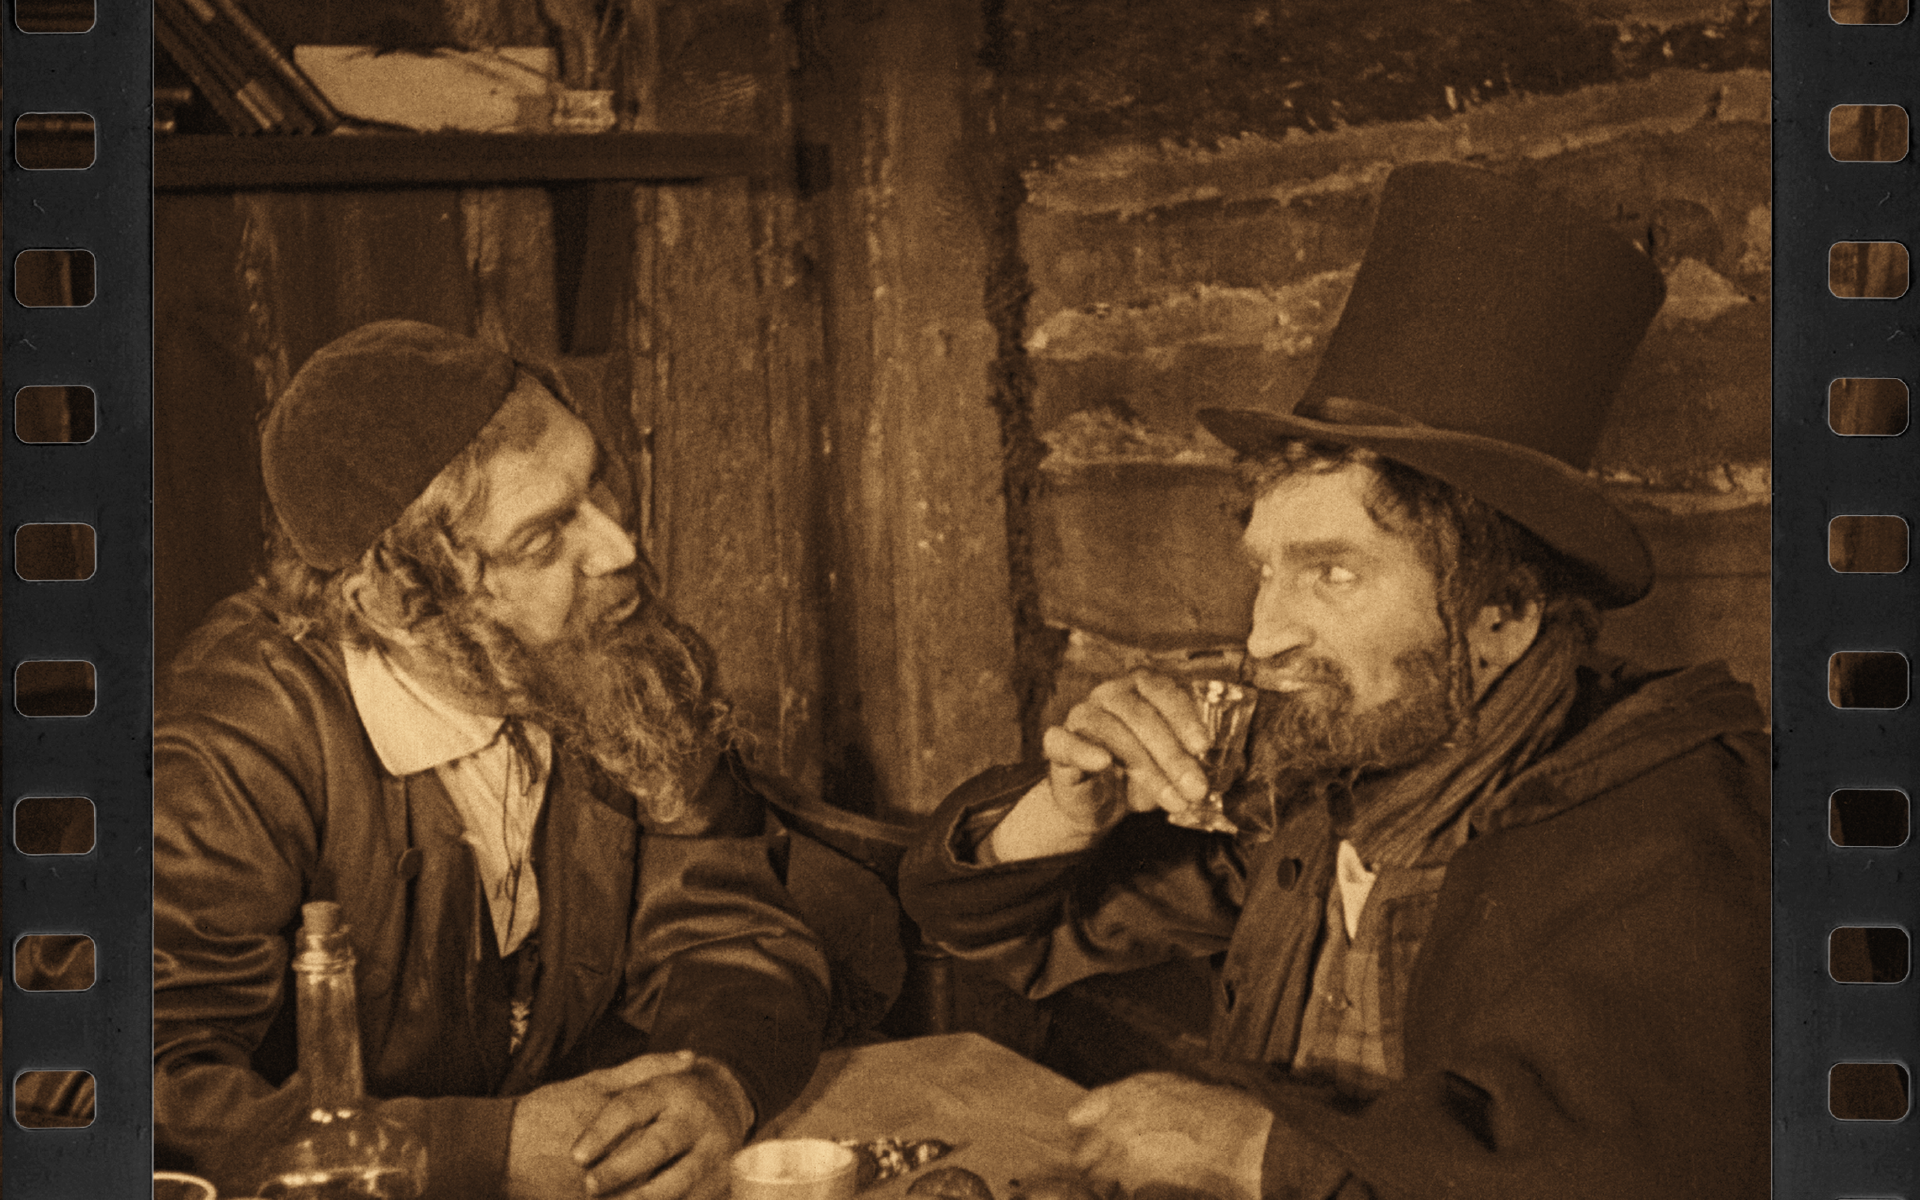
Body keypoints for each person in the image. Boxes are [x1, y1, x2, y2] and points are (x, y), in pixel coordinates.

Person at [898, 163, 1768, 1200]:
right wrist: (1067, 806)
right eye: (1266, 572)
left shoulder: (1676, 837)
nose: (1263, 635)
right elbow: (993, 929)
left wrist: (1249, 1150)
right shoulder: (1341, 781)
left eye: (1333, 573)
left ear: (1501, 615)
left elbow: (1637, 1175)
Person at [153, 320, 832, 1200]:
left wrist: (717, 1083)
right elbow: (131, 1079)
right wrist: (478, 1151)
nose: (618, 549)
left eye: (597, 485)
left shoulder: (615, 656)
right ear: (396, 603)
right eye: (543, 539)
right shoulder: (240, 740)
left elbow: (729, 931)